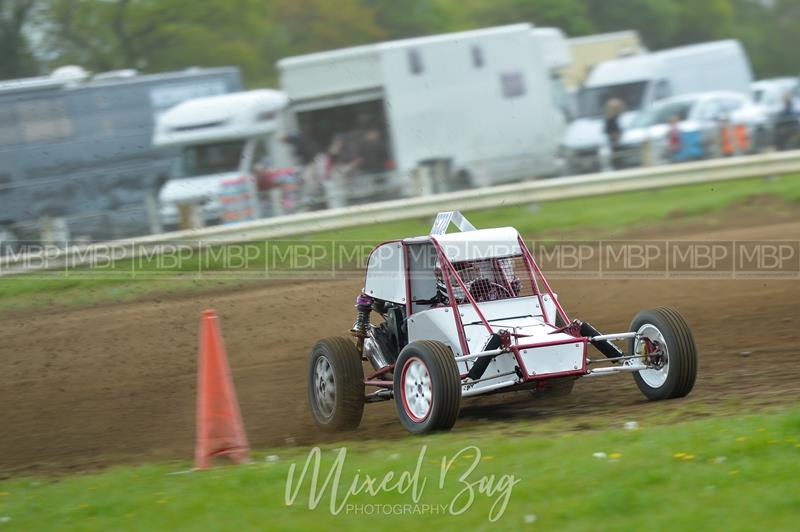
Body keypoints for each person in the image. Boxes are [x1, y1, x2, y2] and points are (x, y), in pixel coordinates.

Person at [603, 98, 625, 169]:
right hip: (615, 147)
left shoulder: (613, 120)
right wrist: (617, 137)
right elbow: (613, 134)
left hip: (615, 146)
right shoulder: (611, 121)